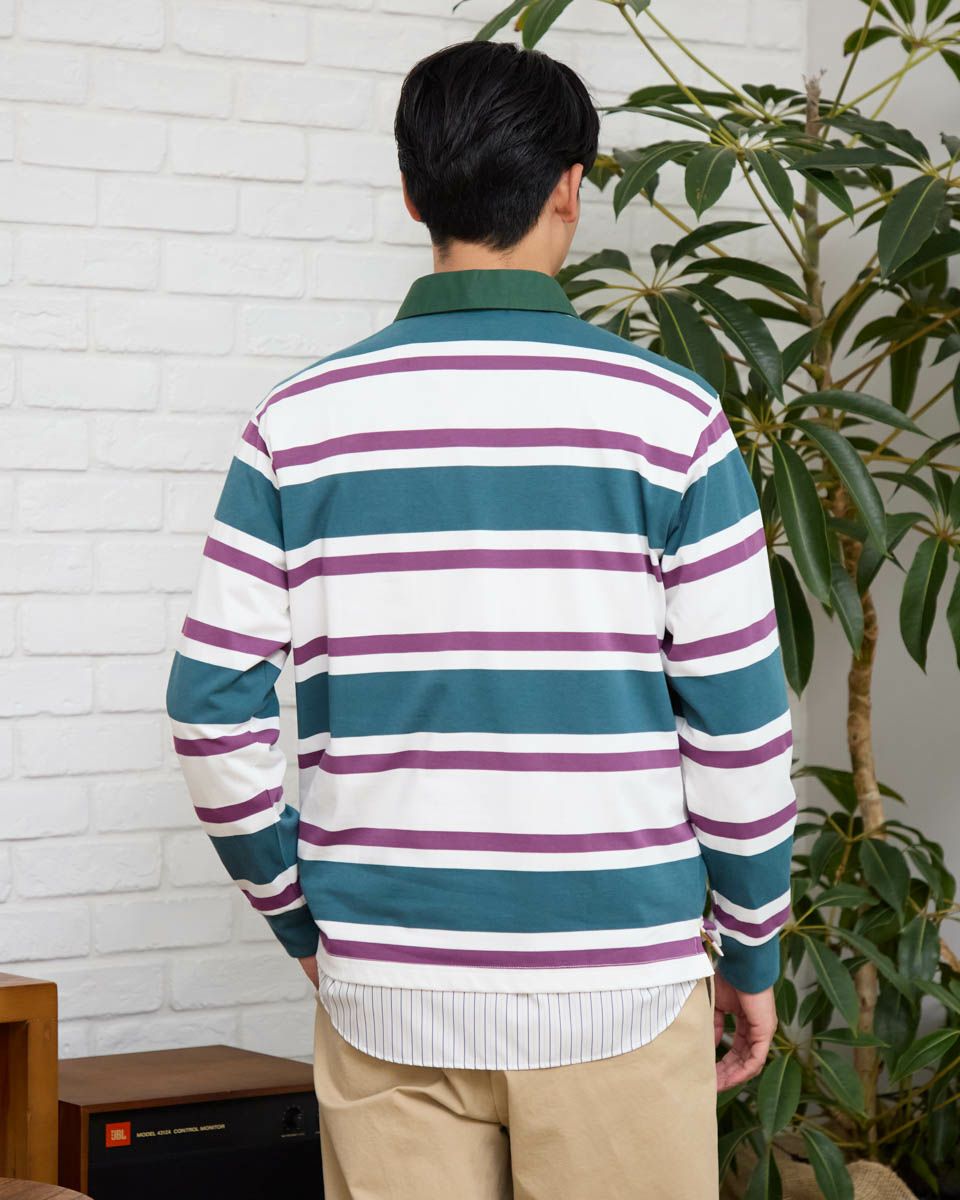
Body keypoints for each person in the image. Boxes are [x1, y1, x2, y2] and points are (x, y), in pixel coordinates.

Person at [166, 38, 796, 1200]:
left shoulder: (297, 424)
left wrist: (301, 923)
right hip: (617, 986)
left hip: (387, 989)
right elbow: (738, 725)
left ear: (413, 195)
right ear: (571, 188)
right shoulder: (672, 418)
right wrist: (752, 945)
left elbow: (210, 713)